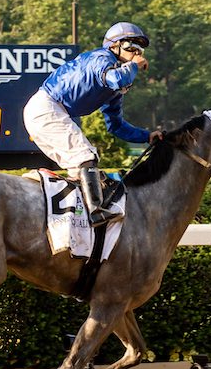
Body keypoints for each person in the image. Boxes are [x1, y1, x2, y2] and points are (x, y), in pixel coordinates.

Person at [23, 21, 163, 226]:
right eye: (131, 48)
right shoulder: (100, 58)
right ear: (114, 46)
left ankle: (71, 219)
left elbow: (116, 126)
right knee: (86, 156)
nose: (137, 54)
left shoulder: (114, 90)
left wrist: (146, 136)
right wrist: (133, 66)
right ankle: (96, 212)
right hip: (46, 107)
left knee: (78, 171)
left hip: (48, 111)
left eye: (140, 50)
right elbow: (115, 78)